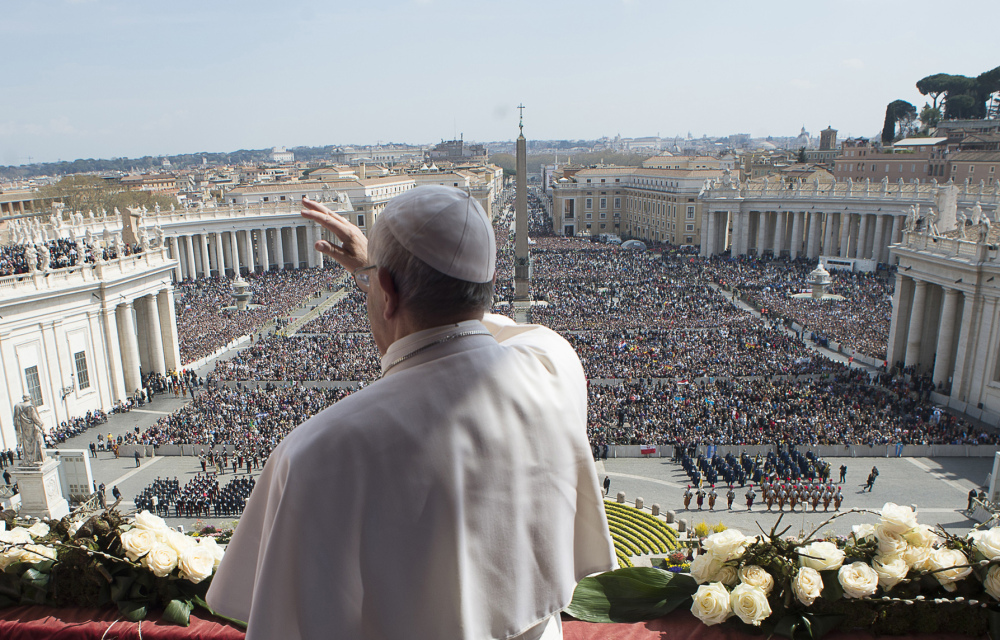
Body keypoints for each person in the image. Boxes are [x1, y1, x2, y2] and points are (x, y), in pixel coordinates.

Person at [207, 187, 615, 640]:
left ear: (385, 292)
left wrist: (377, 272)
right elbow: (488, 325)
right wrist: (382, 273)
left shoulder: (317, 453)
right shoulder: (554, 365)